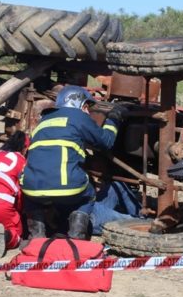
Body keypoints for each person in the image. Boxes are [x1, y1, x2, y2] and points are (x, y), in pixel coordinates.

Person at [21, 85, 124, 240]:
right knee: (88, 195)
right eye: (87, 107)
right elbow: (106, 141)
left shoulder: (44, 120)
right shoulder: (78, 116)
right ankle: (76, 237)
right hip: (66, 186)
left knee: (34, 199)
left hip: (31, 188)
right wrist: (113, 120)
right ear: (80, 105)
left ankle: (36, 238)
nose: (88, 112)